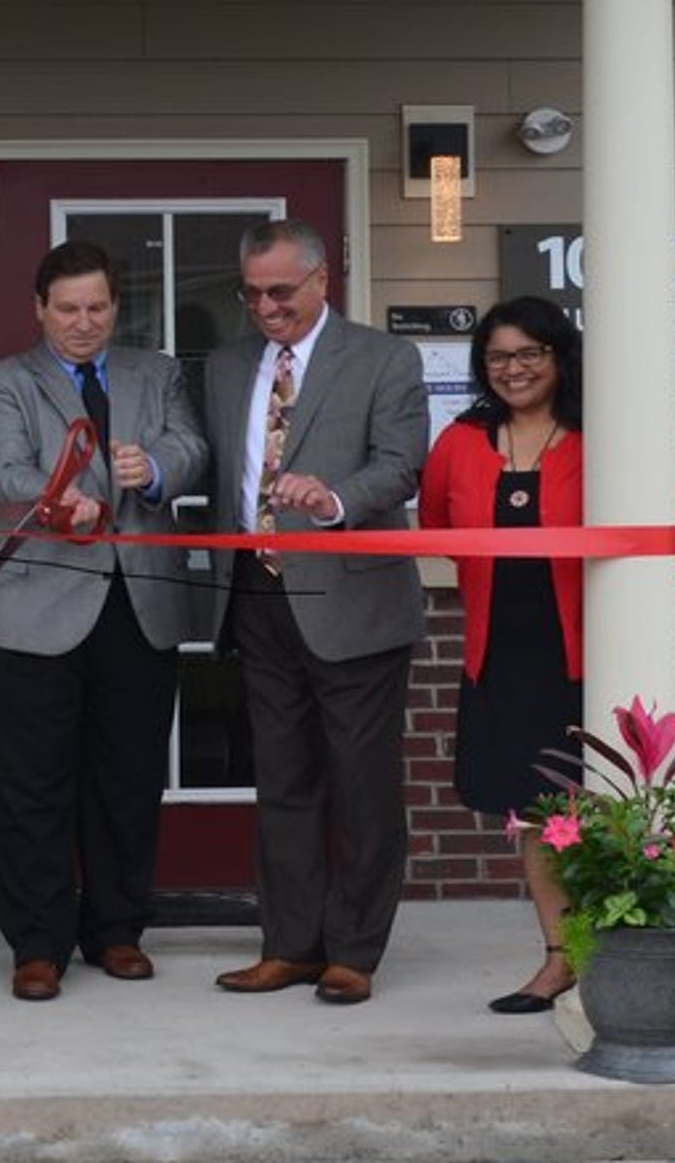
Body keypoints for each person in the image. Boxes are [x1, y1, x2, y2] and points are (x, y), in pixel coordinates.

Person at [419, 295, 675, 1015]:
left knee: (599, 807)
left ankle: (620, 947)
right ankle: (560, 957)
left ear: (558, 357)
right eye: (498, 357)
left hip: (585, 656)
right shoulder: (460, 440)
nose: (513, 370)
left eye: (528, 354)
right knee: (536, 816)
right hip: (501, 657)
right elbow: (438, 522)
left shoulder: (597, 438)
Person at [0, 240, 208, 1003]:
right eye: (67, 309)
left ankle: (118, 930)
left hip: (138, 605)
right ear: (39, 309)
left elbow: (193, 447)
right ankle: (37, 944)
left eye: (97, 308)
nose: (83, 323)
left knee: (128, 779)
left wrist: (158, 467)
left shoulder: (157, 371)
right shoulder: (0, 382)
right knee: (29, 783)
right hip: (33, 609)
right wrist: (60, 491)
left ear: (116, 307)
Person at [202, 219, 429, 1007]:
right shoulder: (228, 366)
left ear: (321, 280)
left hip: (354, 598)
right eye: (253, 293)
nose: (266, 308)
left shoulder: (384, 358)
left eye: (281, 292)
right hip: (259, 594)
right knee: (283, 781)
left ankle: (355, 950)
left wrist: (334, 500)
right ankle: (290, 944)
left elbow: (400, 464)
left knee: (363, 786)